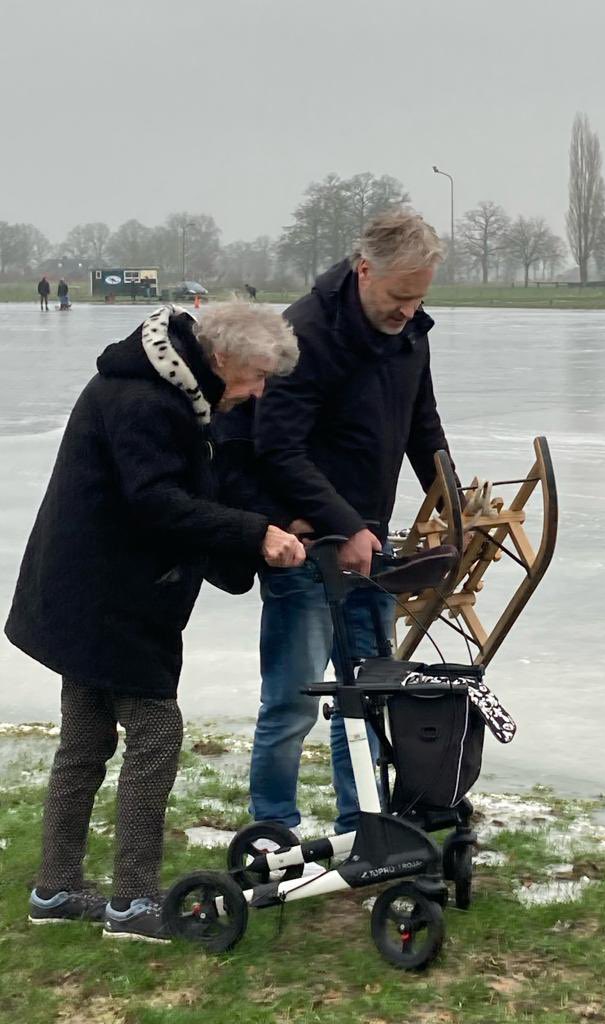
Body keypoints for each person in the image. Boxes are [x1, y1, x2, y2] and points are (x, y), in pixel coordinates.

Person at [5, 301, 305, 942]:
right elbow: (157, 502)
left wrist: (262, 528)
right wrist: (255, 534)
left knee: (84, 743)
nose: (258, 393)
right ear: (220, 359)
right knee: (156, 737)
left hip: (86, 592)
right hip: (107, 598)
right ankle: (134, 903)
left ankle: (55, 890)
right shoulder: (144, 400)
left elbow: (196, 490)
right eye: (255, 377)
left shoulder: (173, 391)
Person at [246, 209, 453, 834]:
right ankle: (273, 829)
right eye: (399, 297)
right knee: (292, 700)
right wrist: (343, 525)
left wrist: (448, 495)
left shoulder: (410, 333)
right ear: (365, 270)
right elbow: (277, 448)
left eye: (419, 299)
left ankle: (360, 825)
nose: (408, 311)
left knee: (365, 696)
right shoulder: (304, 335)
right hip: (305, 544)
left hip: (371, 544)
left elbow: (423, 422)